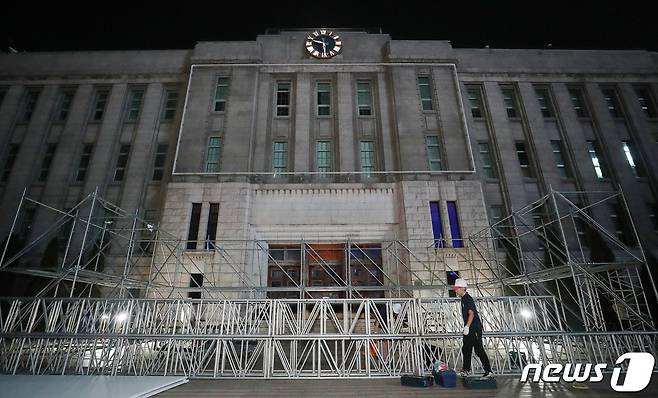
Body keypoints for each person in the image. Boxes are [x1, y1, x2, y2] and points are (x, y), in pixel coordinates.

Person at [453, 278, 494, 378]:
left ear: (463, 288)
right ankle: (466, 370)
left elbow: (471, 313)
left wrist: (467, 326)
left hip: (474, 328)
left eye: (457, 288)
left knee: (479, 350)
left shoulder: (467, 298)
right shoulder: (463, 298)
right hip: (469, 329)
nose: (455, 290)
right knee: (466, 349)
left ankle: (489, 371)